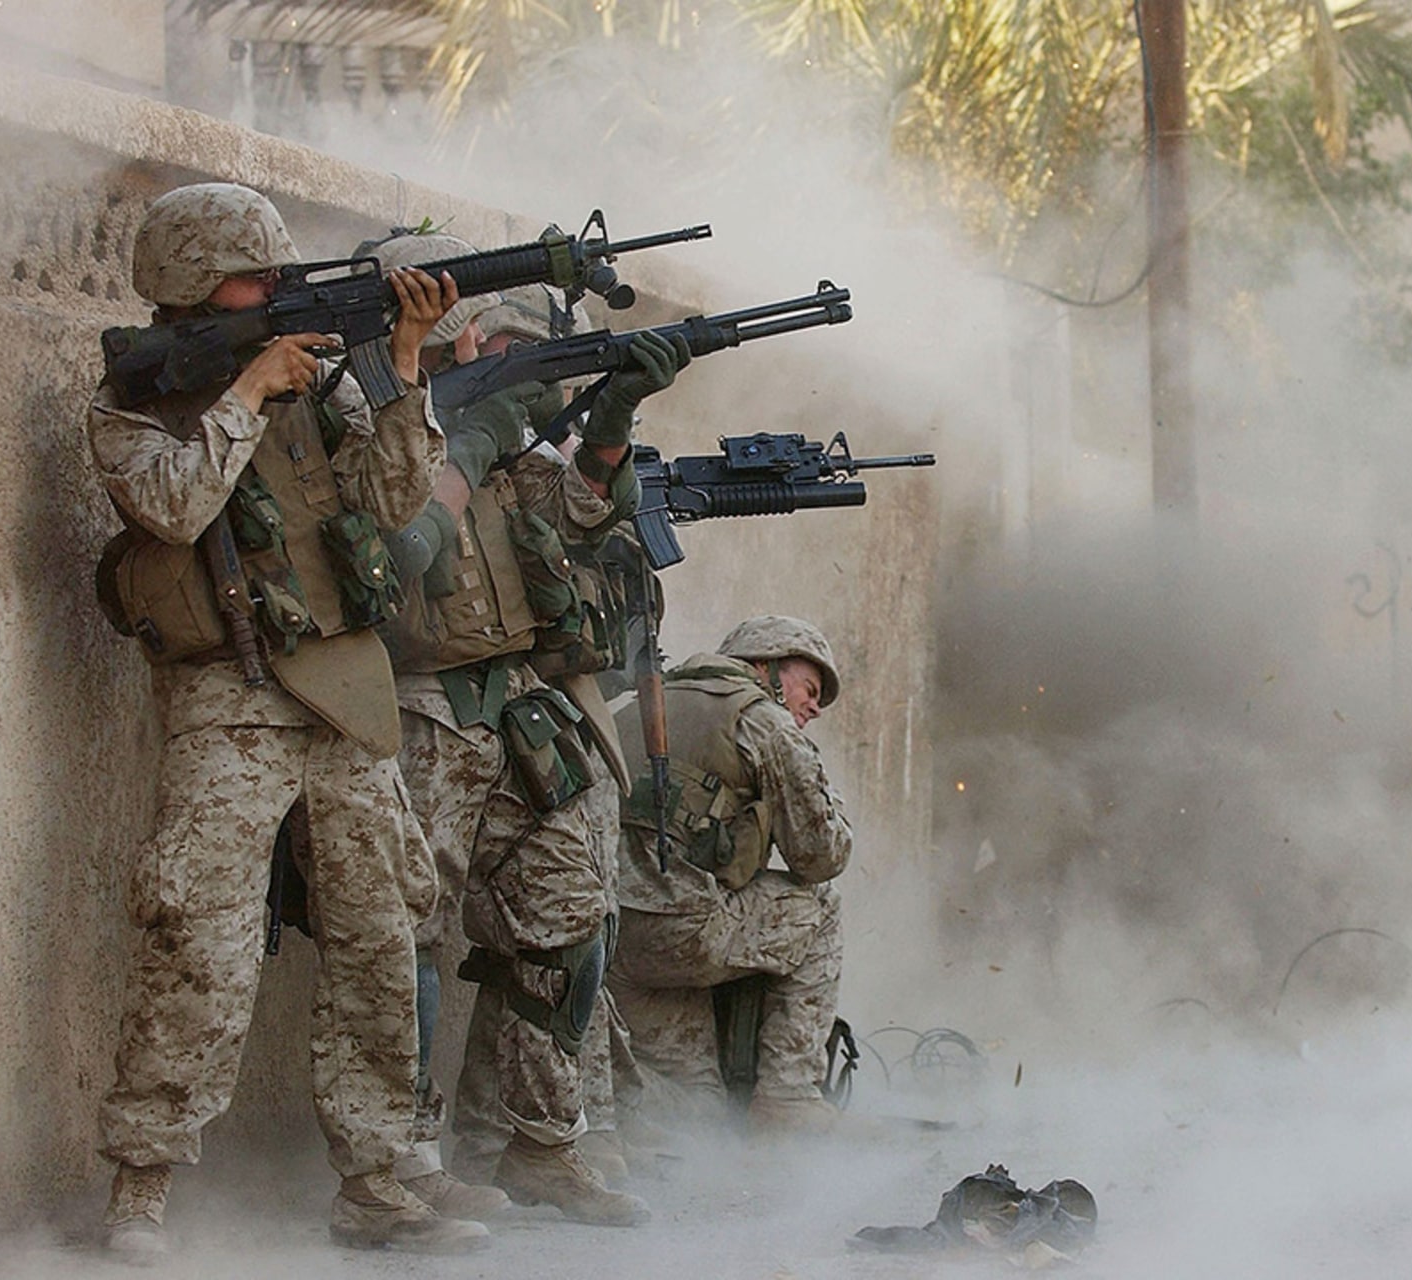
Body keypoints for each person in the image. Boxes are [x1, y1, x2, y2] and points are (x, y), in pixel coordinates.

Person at [89, 183, 485, 1255]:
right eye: (252, 275)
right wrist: (245, 392)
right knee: (201, 940)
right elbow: (170, 505)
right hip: (230, 699)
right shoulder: (139, 398)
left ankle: (378, 1179)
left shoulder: (314, 379)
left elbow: (390, 499)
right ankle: (142, 1182)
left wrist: (401, 364)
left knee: (378, 934)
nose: (275, 289)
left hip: (344, 686)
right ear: (187, 282)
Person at [367, 231, 687, 1225]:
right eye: (490, 347)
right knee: (405, 938)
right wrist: (470, 433)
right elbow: (393, 541)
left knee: (570, 912)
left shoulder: (505, 447)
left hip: (514, 710)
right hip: (424, 709)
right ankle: (402, 1159)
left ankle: (544, 1142)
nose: (508, 366)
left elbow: (590, 508)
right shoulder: (390, 432)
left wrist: (615, 412)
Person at [606, 615, 854, 1132]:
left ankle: (596, 1107)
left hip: (613, 941)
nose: (812, 706)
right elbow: (818, 855)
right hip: (687, 932)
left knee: (698, 1112)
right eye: (808, 689)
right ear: (763, 666)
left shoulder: (638, 704)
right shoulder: (764, 721)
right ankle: (789, 1099)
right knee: (822, 906)